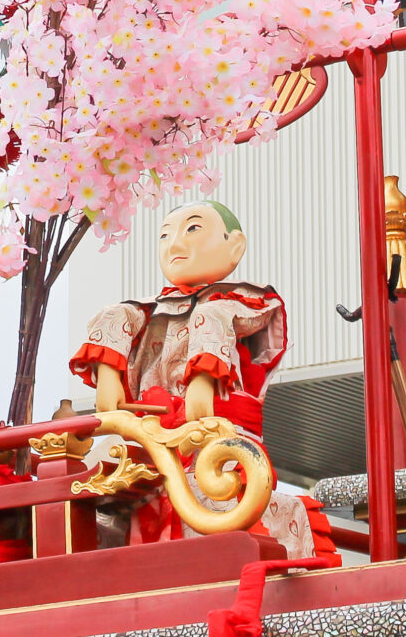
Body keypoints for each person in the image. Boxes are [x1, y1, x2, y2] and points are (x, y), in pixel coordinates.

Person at [70, 202, 324, 552]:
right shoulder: (142, 309)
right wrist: (109, 378)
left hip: (213, 443)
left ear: (235, 245)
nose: (175, 245)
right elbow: (118, 317)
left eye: (192, 229)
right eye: (164, 235)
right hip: (147, 442)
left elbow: (219, 317)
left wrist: (202, 383)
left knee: (218, 504)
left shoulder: (242, 300)